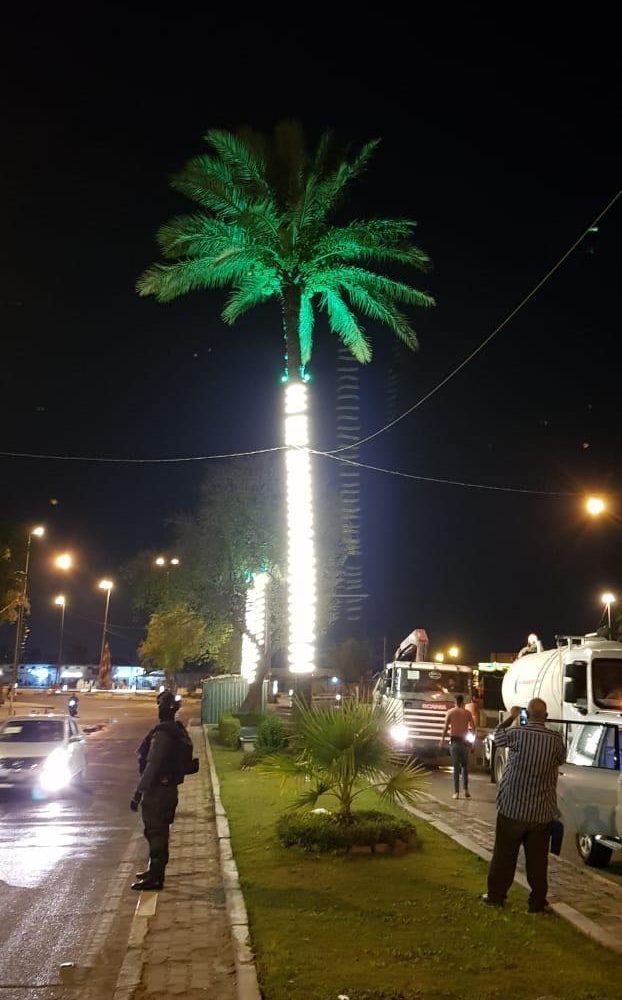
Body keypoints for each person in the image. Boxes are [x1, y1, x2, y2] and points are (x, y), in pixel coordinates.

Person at [483, 698, 565, 913]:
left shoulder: (517, 732)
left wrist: (512, 717)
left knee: (504, 856)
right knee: (538, 861)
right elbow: (561, 760)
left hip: (512, 807)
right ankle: (537, 902)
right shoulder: (555, 739)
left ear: (526, 714)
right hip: (541, 813)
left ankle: (496, 896)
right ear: (546, 716)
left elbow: (498, 736)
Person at [129, 690, 193, 891]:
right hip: (168, 790)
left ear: (163, 709)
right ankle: (155, 871)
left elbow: (152, 765)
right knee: (159, 832)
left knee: (156, 832)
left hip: (158, 791)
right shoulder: (176, 729)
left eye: (160, 707)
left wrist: (138, 793)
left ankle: (156, 878)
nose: (158, 710)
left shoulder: (163, 733)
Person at [441, 694, 475, 799]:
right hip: (464, 744)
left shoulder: (450, 712)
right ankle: (466, 790)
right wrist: (472, 744)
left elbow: (445, 728)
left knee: (456, 768)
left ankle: (456, 792)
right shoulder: (467, 713)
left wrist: (442, 741)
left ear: (455, 702)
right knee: (465, 767)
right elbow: (474, 728)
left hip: (454, 743)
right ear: (463, 702)